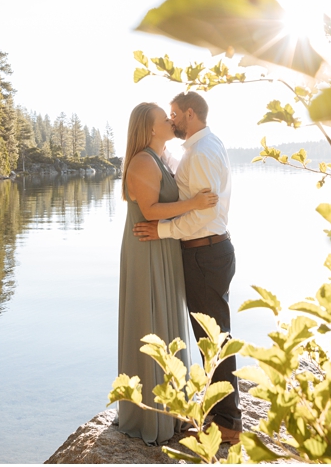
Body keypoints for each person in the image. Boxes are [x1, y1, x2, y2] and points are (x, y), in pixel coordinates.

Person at [133, 90, 242, 445]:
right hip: (207, 252)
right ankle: (219, 414)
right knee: (210, 335)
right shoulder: (198, 149)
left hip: (205, 252)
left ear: (190, 114)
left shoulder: (202, 153)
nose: (172, 119)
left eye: (175, 114)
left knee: (213, 338)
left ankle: (228, 423)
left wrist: (161, 229)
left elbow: (203, 215)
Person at [117, 102, 219, 444]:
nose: (170, 121)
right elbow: (151, 210)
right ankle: (149, 416)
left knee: (165, 319)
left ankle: (172, 410)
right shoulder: (144, 160)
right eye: (164, 119)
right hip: (147, 250)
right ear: (149, 129)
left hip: (162, 248)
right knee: (151, 320)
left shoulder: (160, 157)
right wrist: (194, 204)